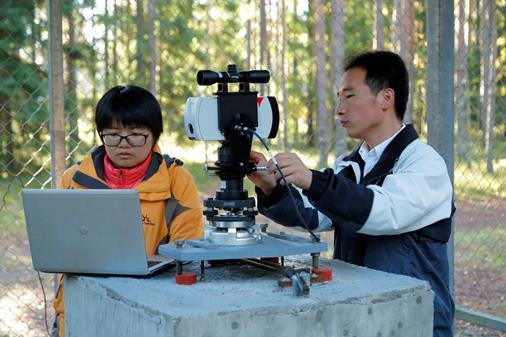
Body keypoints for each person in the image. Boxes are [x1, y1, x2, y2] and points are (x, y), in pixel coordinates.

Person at [248, 51, 455, 337]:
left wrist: (314, 181)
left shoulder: (424, 163)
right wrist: (272, 188)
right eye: (338, 98)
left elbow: (382, 210)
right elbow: (314, 214)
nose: (339, 109)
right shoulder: (350, 165)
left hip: (414, 319)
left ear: (386, 98)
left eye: (349, 96)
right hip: (363, 314)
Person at [53, 85, 204, 337]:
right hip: (82, 303)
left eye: (135, 134)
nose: (124, 144)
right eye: (112, 134)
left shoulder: (177, 180)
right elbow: (60, 249)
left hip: (153, 307)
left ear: (154, 135)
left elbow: (188, 257)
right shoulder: (74, 179)